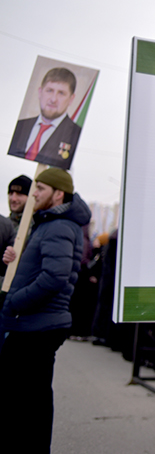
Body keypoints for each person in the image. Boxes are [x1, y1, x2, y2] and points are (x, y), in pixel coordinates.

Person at [0, 167, 91, 453]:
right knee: (29, 399)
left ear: (57, 193)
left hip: (37, 324)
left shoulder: (60, 225)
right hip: (37, 322)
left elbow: (54, 278)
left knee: (28, 402)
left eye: (39, 189)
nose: (33, 194)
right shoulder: (50, 222)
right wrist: (14, 259)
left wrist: (15, 302)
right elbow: (40, 266)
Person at [8, 67, 82, 170]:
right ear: (40, 92)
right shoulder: (20, 126)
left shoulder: (75, 134)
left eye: (61, 93)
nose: (53, 99)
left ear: (71, 99)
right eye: (49, 90)